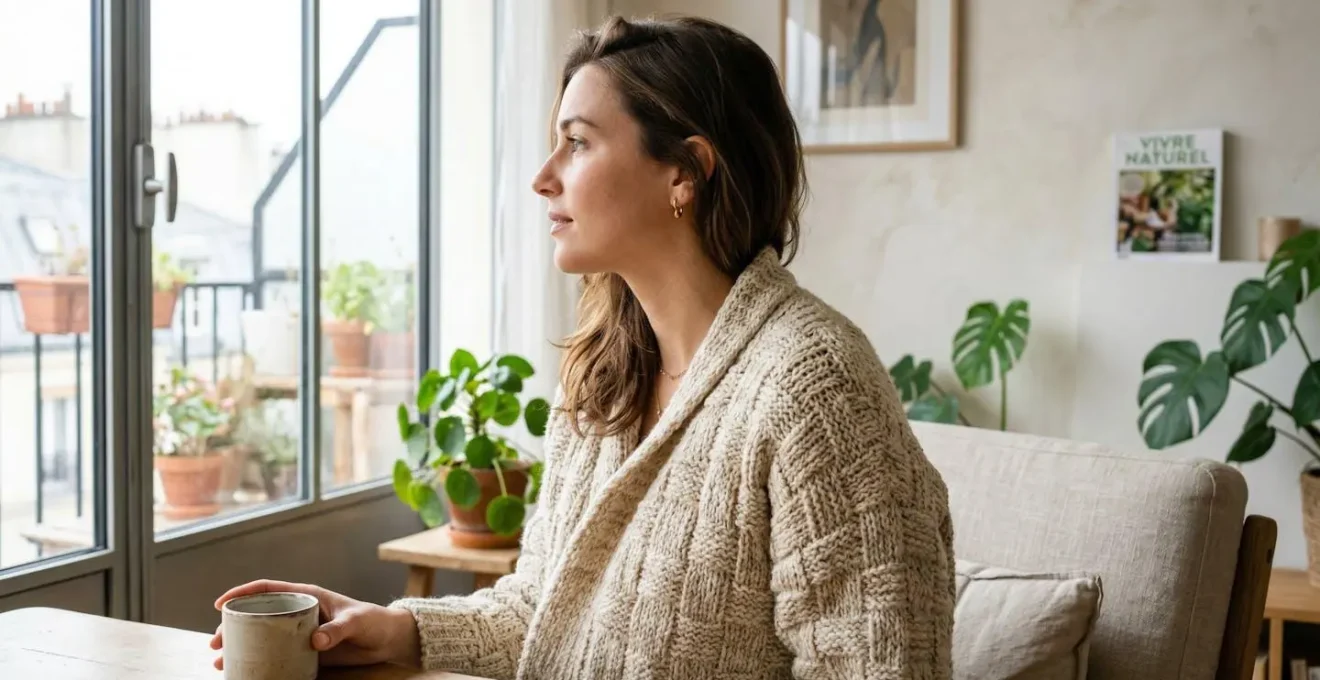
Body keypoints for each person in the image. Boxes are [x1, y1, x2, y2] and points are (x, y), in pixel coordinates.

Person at [212, 14, 955, 680]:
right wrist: (393, 629)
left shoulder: (816, 386)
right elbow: (545, 610)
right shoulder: (604, 371)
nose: (543, 179)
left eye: (576, 144)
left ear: (685, 173)